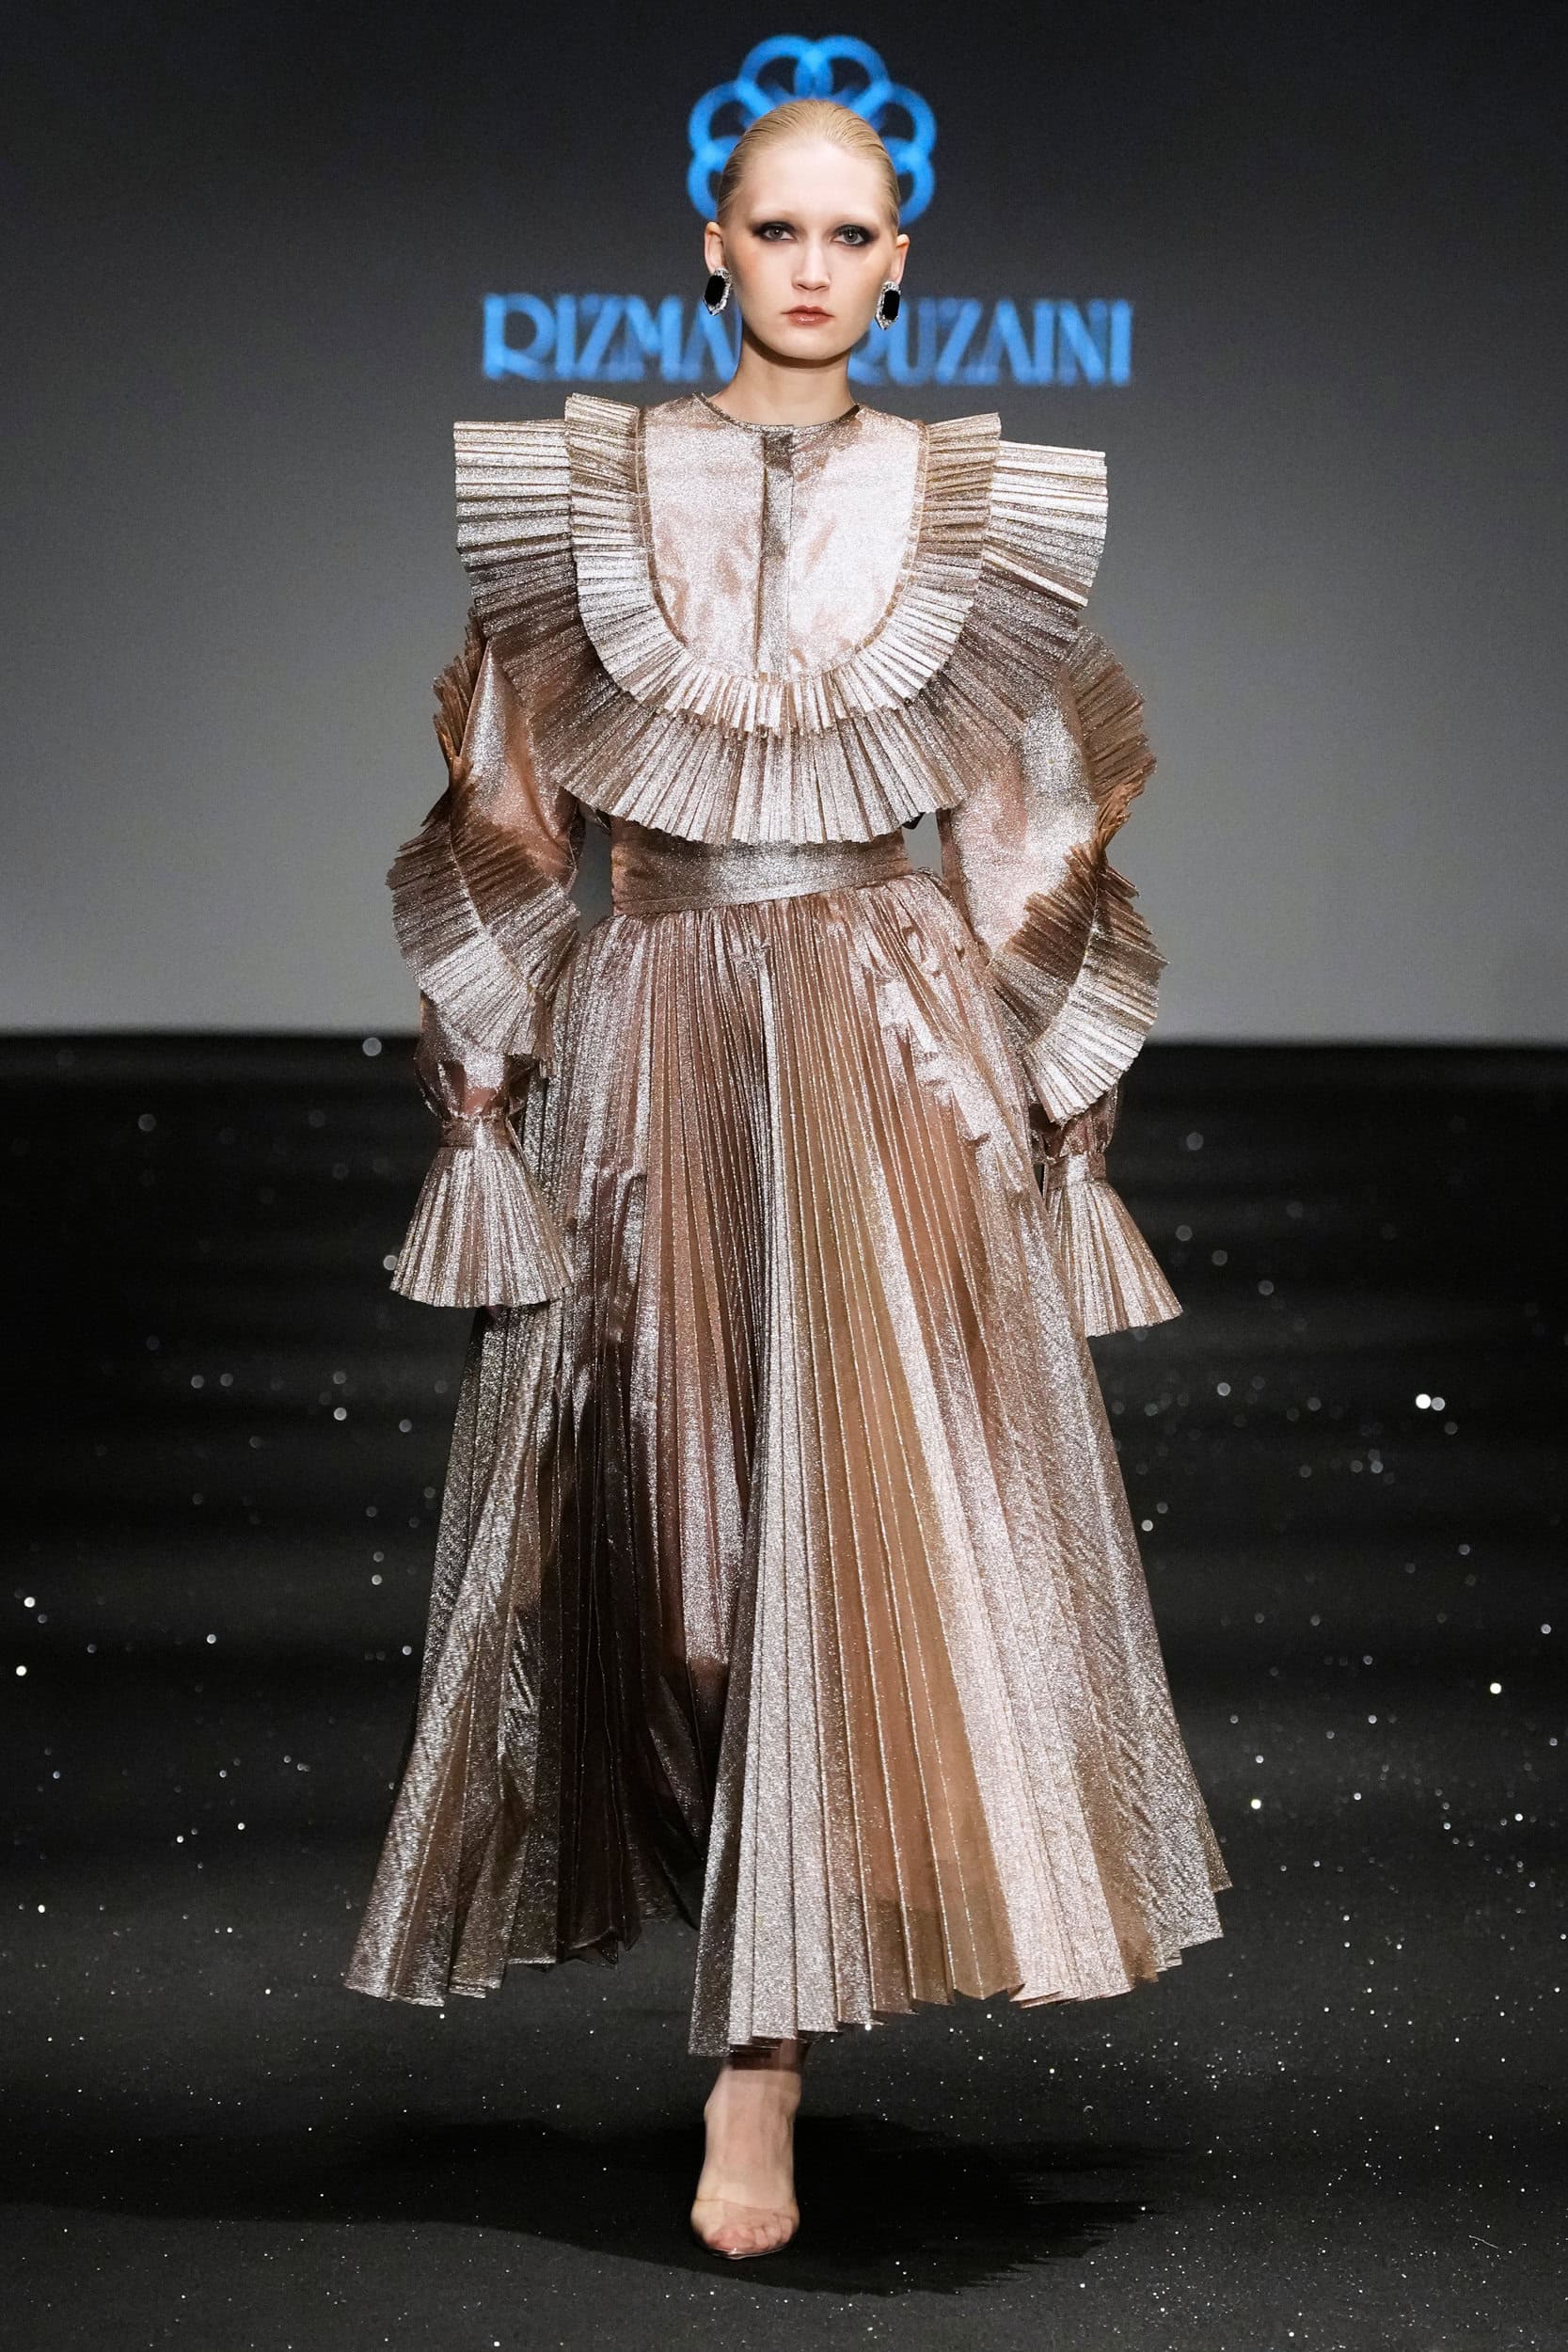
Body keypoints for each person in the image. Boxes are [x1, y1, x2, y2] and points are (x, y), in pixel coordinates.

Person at [344, 95, 1231, 2262]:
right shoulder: (582, 498)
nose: (814, 265)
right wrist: (484, 1084)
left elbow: (1023, 819)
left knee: (853, 1540)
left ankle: (763, 2059)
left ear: (901, 258)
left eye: (851, 232)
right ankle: (758, 1979)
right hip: (653, 1036)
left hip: (890, 1040)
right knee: (674, 1565)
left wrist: (1055, 1096)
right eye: (779, 227)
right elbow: (513, 808)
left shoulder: (972, 516)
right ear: (712, 241)